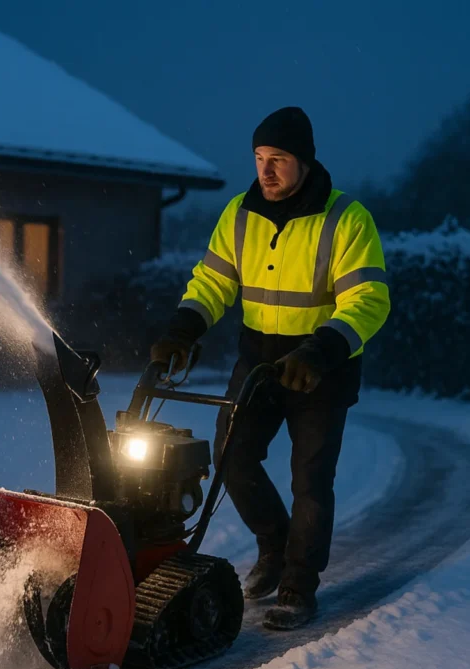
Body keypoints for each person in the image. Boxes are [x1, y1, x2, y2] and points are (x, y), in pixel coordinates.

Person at [150, 107, 390, 630]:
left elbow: (369, 298)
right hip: (258, 361)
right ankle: (274, 546)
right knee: (231, 458)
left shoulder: (347, 219)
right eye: (259, 159)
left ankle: (298, 586)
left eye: (278, 160)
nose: (266, 171)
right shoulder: (239, 213)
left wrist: (321, 350)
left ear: (303, 161)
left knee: (310, 479)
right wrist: (183, 329)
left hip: (321, 367)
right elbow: (213, 284)